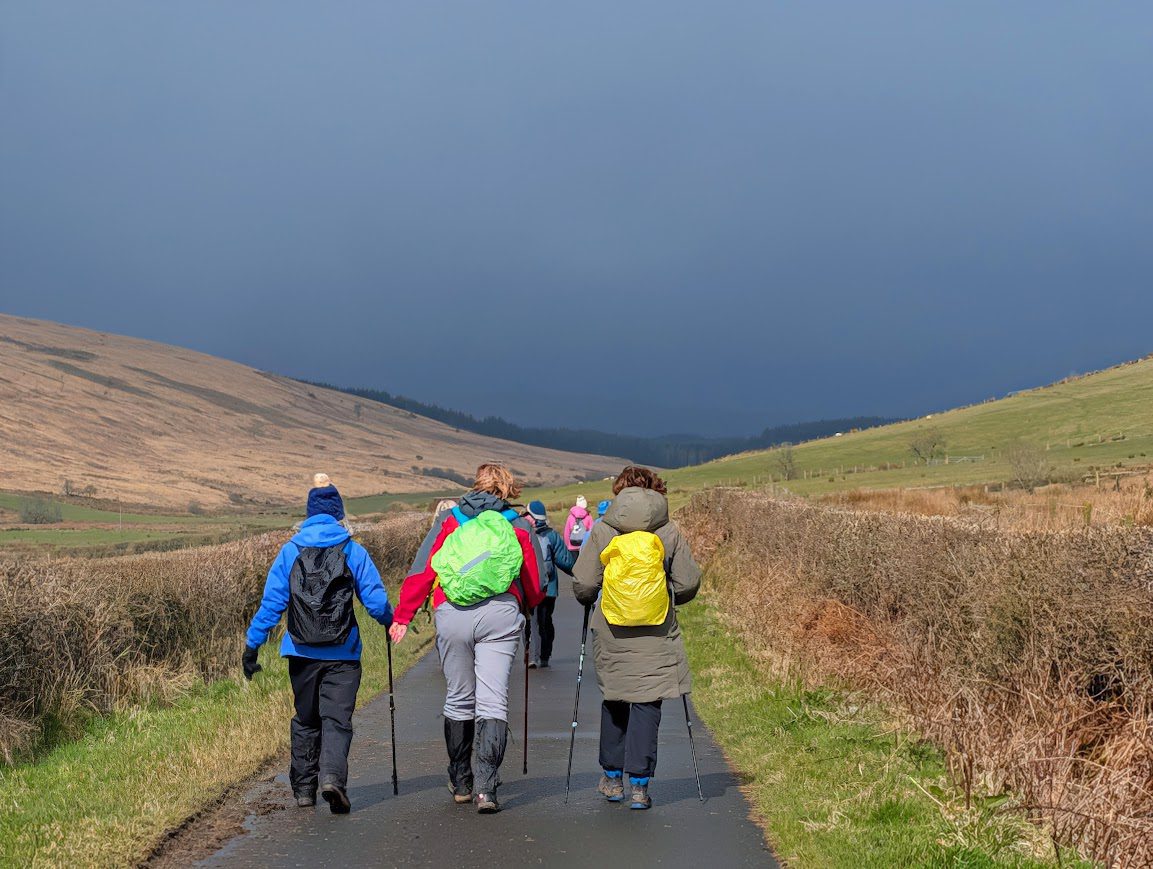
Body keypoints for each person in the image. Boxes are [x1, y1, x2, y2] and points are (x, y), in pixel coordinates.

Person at [389, 463, 545, 814]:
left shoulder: (450, 520)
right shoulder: (518, 524)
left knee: (459, 697)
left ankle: (461, 780)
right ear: (506, 490)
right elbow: (536, 580)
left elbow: (424, 569)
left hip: (452, 613)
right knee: (493, 701)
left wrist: (403, 616)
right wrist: (527, 605)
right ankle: (487, 789)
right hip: (500, 615)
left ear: (474, 486)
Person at [243, 473, 394, 814]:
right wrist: (390, 622)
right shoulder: (352, 549)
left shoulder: (289, 552)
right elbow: (374, 600)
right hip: (343, 651)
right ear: (339, 513)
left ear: (309, 514)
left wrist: (252, 646)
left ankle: (303, 789)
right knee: (337, 720)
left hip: (301, 650)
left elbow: (272, 603)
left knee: (306, 718)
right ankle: (332, 779)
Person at [572, 466, 701, 810]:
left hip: (612, 628)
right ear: (656, 490)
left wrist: (590, 599)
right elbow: (688, 582)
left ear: (619, 492)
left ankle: (613, 779)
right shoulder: (668, 531)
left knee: (616, 698)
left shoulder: (603, 530)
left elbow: (584, 583)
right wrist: (669, 598)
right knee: (647, 701)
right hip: (657, 629)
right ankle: (640, 787)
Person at [524, 499, 576, 668]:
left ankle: (532, 655)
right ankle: (543, 655)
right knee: (544, 621)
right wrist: (581, 575)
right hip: (549, 588)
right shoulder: (551, 535)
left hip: (528, 586)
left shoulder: (521, 533)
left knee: (530, 621)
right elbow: (566, 561)